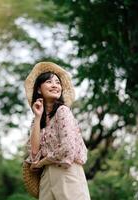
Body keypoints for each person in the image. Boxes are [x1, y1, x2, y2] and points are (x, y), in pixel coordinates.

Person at [24, 62, 91, 200]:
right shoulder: (37, 121)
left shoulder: (63, 111)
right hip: (46, 178)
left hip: (67, 173)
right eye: (49, 82)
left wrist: (42, 162)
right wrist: (37, 117)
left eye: (57, 82)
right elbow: (34, 155)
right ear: (38, 90)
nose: (55, 85)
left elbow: (67, 149)